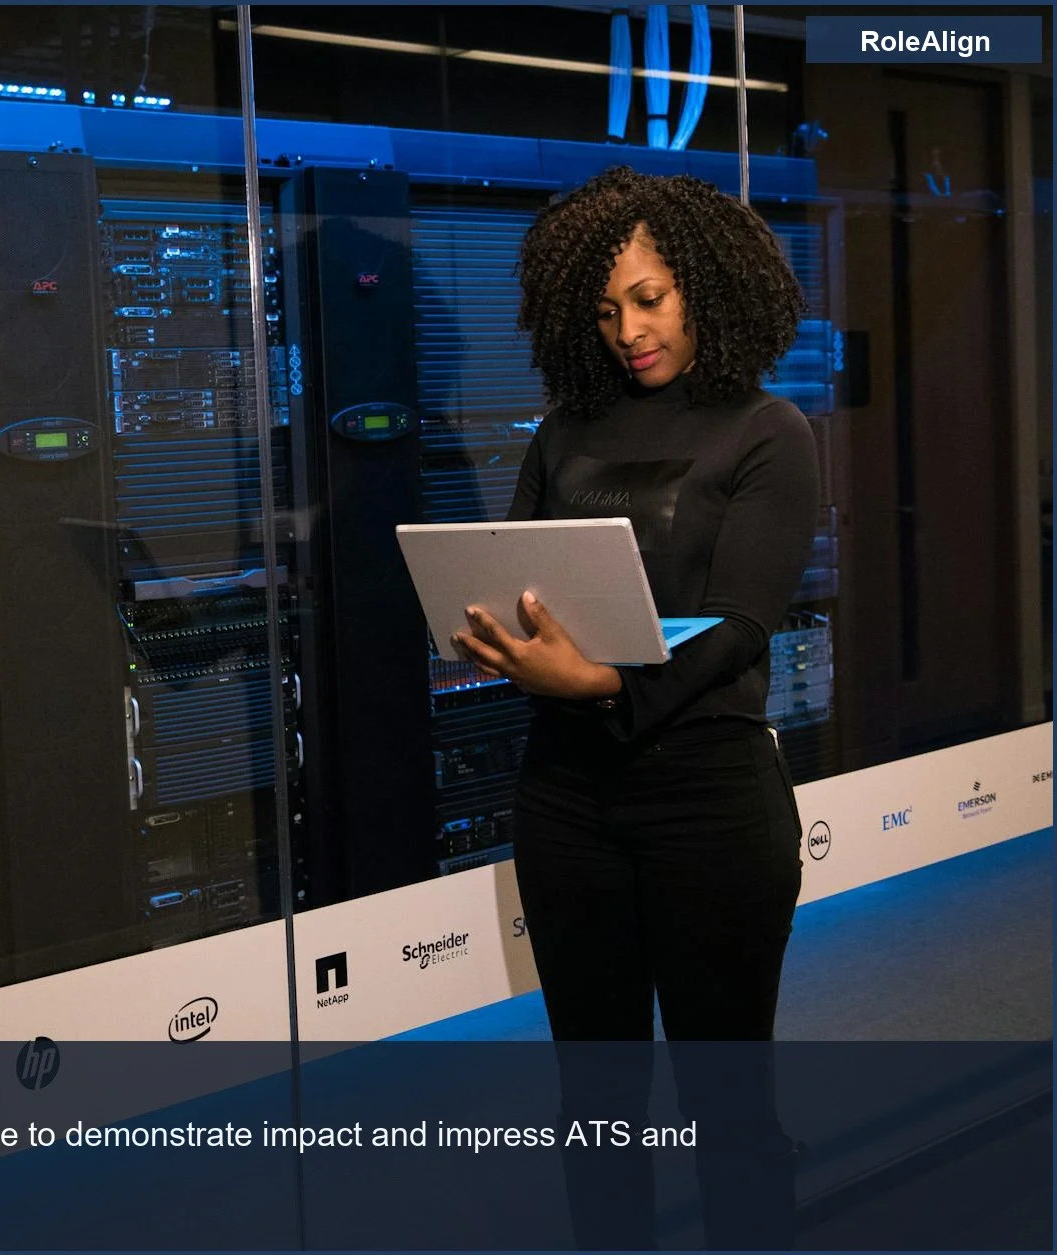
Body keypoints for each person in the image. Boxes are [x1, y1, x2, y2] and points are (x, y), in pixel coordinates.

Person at [449, 166, 819, 1250]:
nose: (626, 329)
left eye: (649, 298)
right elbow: (505, 570)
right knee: (595, 1111)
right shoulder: (564, 428)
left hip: (710, 803)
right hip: (566, 802)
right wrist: (492, 633)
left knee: (724, 1110)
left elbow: (740, 622)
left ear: (704, 286)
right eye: (605, 309)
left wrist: (602, 680)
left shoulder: (766, 431)